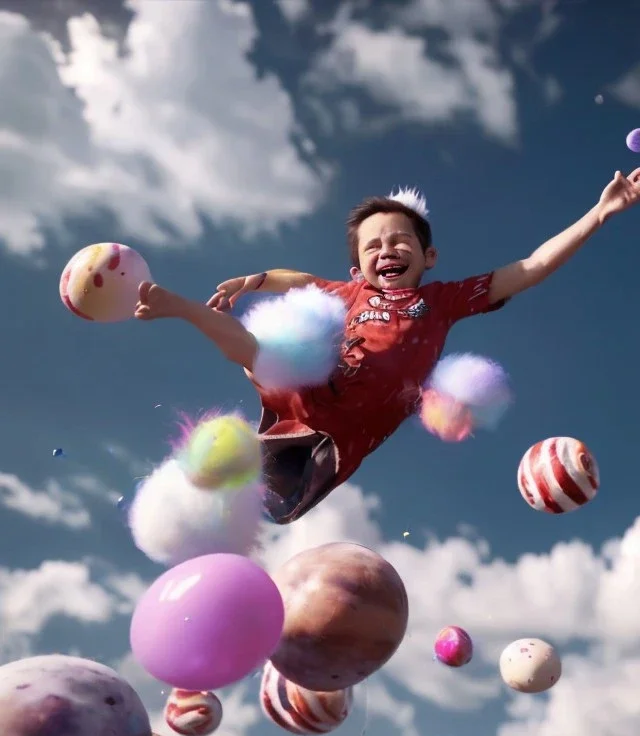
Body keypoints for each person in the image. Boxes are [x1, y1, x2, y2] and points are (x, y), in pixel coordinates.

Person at [135, 170, 640, 524]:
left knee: (271, 493)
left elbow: (531, 268)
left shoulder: (442, 300)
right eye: (372, 246)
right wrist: (257, 279)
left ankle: (235, 472)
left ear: (429, 256)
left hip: (355, 426)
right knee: (258, 355)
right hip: (318, 386)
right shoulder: (349, 292)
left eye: (400, 241)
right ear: (358, 268)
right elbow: (300, 279)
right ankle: (182, 309)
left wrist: (601, 212)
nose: (387, 250)